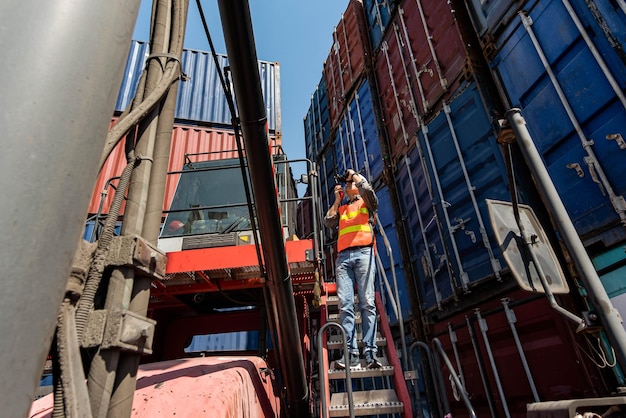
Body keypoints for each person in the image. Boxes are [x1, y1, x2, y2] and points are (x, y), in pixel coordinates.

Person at [325, 168, 382, 369]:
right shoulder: (342, 209)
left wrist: (353, 175)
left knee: (367, 302)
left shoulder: (367, 202)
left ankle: (370, 353)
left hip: (364, 254)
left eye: (350, 184)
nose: (348, 185)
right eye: (347, 184)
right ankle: (351, 355)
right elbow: (328, 221)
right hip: (343, 258)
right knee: (345, 305)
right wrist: (337, 200)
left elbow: (367, 188)